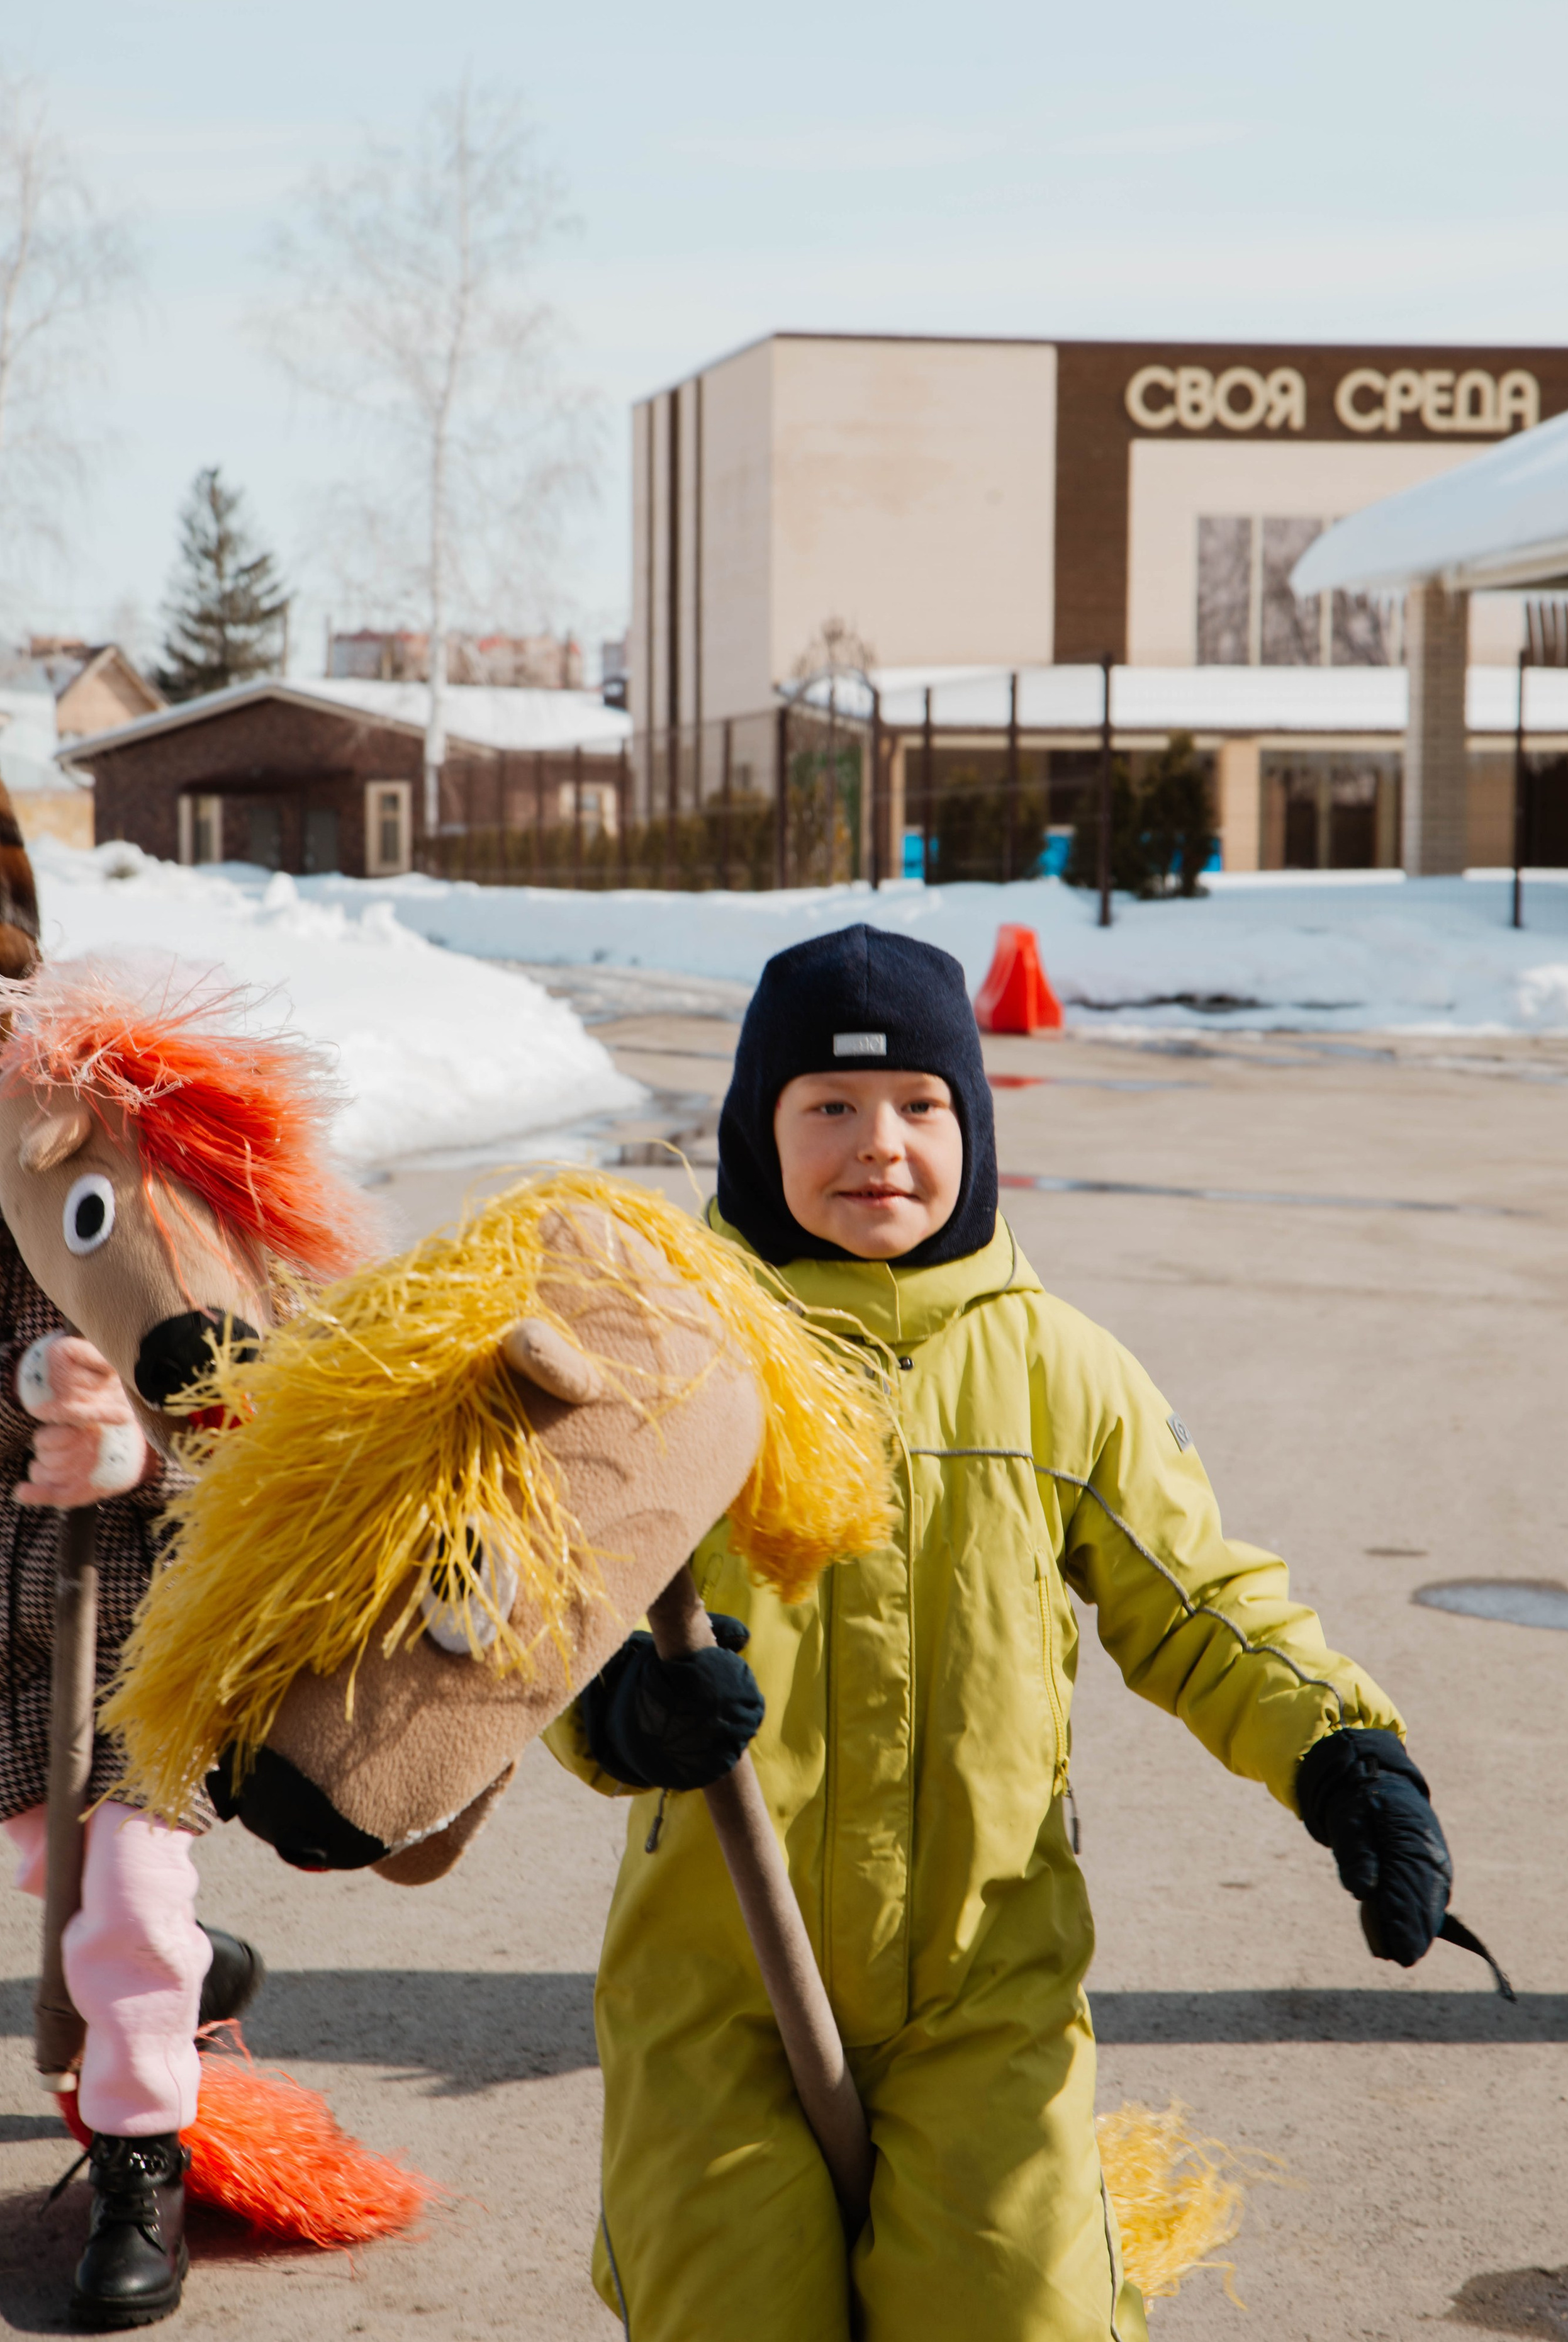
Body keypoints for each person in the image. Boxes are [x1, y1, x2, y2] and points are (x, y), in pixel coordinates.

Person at [546, 923, 1456, 2342]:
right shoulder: (675, 1354)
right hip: (710, 1979)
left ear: (970, 1121)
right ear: (752, 1129)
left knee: (1011, 2313)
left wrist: (1343, 1753)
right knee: (728, 2312)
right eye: (827, 1108)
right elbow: (545, 1601)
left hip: (987, 1981)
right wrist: (614, 1709)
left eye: (921, 1105)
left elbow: (1200, 1595)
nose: (880, 1146)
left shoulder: (1053, 1364)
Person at [0, 812, 260, 2331]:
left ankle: (139, 2155)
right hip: (8, 1593)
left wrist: (134, 1423)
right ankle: (194, 1968)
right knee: (68, 1876)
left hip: (139, 1588)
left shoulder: (99, 1102)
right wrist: (26, 1381)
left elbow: (225, 1332)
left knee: (122, 1902)